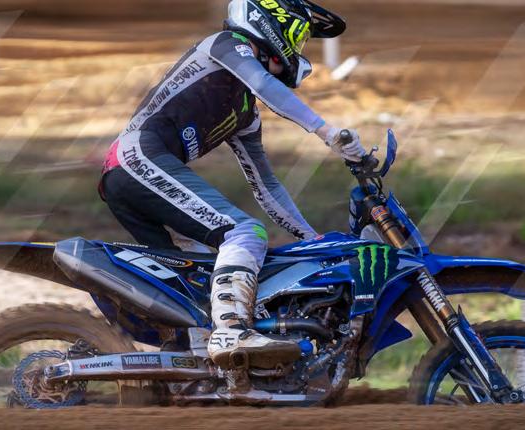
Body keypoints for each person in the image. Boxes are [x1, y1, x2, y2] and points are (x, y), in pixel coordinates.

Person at [99, 0, 369, 370]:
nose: (299, 50)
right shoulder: (225, 45)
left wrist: (309, 238)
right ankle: (232, 330)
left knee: (199, 276)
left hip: (132, 171)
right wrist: (328, 132)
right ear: (274, 24)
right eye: (299, 38)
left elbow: (265, 184)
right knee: (245, 232)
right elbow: (264, 84)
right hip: (137, 157)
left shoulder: (244, 112)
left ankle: (192, 369)